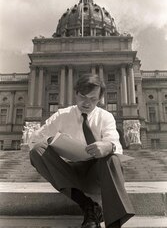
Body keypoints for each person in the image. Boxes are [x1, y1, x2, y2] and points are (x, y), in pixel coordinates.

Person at [29, 73, 135, 228]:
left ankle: (114, 223)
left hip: (96, 175)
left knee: (112, 157)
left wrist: (108, 146)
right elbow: (33, 140)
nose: (87, 103)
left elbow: (115, 144)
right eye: (83, 97)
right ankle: (88, 206)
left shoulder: (106, 117)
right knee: (37, 151)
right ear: (76, 93)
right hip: (67, 172)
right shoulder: (61, 115)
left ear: (100, 99)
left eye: (93, 99)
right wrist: (50, 141)